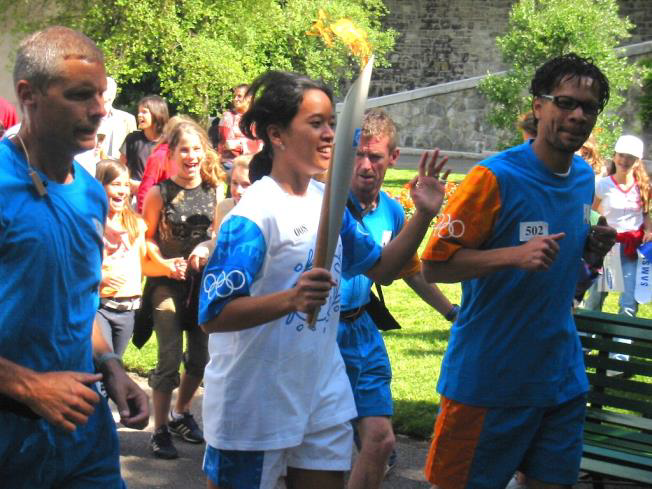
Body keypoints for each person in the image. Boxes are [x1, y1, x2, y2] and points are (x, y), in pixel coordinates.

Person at [198, 71, 448, 489]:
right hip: (256, 395)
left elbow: (382, 269)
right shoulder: (254, 216)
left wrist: (423, 215)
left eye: (332, 122)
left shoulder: (327, 203)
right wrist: (290, 299)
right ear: (277, 134)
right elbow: (214, 314)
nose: (331, 134)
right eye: (316, 124)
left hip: (320, 386)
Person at [420, 53, 616, 489]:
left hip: (560, 379)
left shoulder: (584, 176)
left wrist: (591, 249)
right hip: (489, 381)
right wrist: (512, 255)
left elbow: (563, 261)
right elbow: (435, 264)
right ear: (538, 105)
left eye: (589, 107)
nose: (577, 115)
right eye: (565, 102)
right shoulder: (492, 178)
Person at [0, 26, 149, 488]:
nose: (99, 110)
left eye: (101, 95)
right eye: (80, 95)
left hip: (83, 437)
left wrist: (111, 366)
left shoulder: (92, 196)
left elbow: (79, 305)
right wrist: (26, 385)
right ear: (29, 95)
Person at [339, 108, 457, 489]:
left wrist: (451, 311)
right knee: (314, 447)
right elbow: (382, 270)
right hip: (317, 334)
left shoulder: (390, 210)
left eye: (374, 156)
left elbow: (408, 269)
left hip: (362, 330)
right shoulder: (327, 205)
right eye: (357, 154)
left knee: (380, 440)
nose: (365, 165)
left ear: (393, 158)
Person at [142, 119, 225, 459]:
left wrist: (207, 243)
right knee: (169, 357)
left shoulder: (216, 190)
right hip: (165, 286)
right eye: (184, 150)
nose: (191, 156)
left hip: (204, 288)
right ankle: (159, 429)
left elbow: (221, 234)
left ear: (204, 153)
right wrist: (163, 265)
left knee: (201, 359)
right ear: (172, 154)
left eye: (196, 149)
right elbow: (143, 239)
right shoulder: (159, 193)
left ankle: (181, 412)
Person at [95, 159, 178, 358]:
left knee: (116, 364)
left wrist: (168, 268)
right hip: (100, 307)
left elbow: (144, 266)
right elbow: (77, 266)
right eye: (115, 184)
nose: (122, 190)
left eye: (125, 184)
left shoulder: (136, 224)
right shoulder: (93, 224)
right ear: (99, 186)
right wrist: (98, 277)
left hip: (128, 309)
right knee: (103, 363)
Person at [583, 135, 650, 362]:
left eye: (630, 157)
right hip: (608, 249)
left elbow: (646, 215)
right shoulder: (603, 185)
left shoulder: (643, 187)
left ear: (637, 161)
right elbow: (591, 214)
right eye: (621, 155)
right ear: (615, 156)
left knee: (628, 302)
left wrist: (649, 231)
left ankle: (620, 357)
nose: (624, 160)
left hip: (632, 251)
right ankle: (585, 345)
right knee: (597, 297)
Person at [188, 153, 253, 270]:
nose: (238, 190)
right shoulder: (225, 207)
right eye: (235, 183)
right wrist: (201, 250)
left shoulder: (266, 213)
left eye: (246, 185)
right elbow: (217, 243)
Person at [136, 115, 196, 213]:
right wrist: (145, 217)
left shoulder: (194, 157)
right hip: (163, 214)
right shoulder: (160, 156)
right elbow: (145, 189)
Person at [120, 94, 169, 193]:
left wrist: (145, 185)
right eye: (139, 112)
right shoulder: (132, 139)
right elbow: (121, 168)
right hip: (133, 196)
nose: (139, 115)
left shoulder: (169, 142)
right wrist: (128, 182)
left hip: (159, 195)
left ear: (157, 114)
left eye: (144, 112)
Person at [217, 84, 263, 171]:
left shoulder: (257, 119)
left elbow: (261, 143)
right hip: (231, 164)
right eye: (235, 96)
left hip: (253, 163)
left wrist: (241, 143)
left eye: (239, 96)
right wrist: (250, 144)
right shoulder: (228, 117)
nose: (235, 99)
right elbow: (229, 144)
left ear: (249, 97)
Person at [98, 76, 137, 159]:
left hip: (116, 168)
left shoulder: (127, 120)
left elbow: (132, 150)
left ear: (113, 93)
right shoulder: (85, 117)